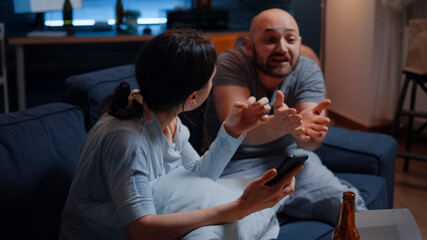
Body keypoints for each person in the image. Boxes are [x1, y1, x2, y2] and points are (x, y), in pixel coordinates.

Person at [60, 28, 303, 240]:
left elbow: (197, 177)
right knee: (230, 219)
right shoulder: (128, 140)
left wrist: (233, 130)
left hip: (155, 212)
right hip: (103, 230)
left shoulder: (168, 119)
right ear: (192, 97)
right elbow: (140, 230)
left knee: (252, 202)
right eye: (211, 80)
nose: (213, 84)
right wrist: (238, 208)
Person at [204, 8, 367, 225]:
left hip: (291, 161)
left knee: (352, 210)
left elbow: (311, 143)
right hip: (232, 164)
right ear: (250, 46)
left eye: (290, 39)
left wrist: (305, 133)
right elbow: (238, 132)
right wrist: (282, 125)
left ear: (299, 43)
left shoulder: (308, 70)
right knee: (232, 225)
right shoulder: (231, 63)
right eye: (270, 39)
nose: (282, 48)